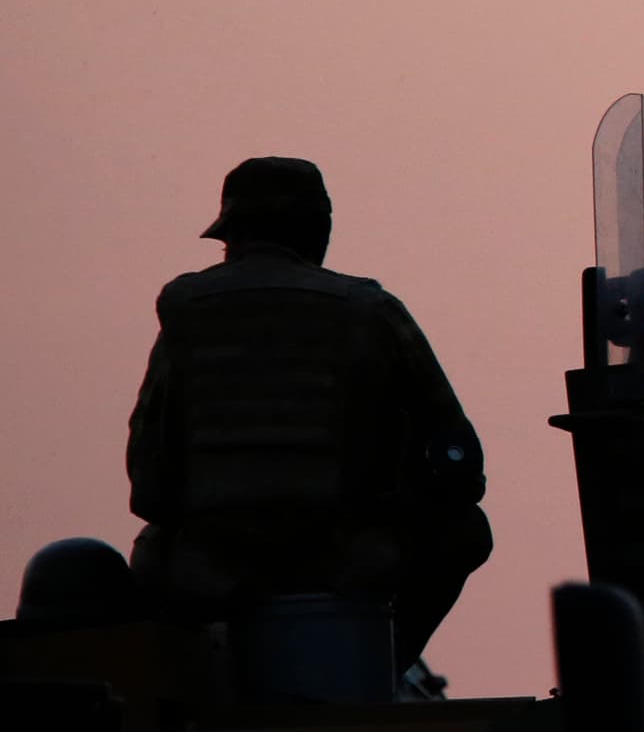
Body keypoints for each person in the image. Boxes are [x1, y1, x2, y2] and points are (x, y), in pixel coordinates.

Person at [125, 157, 493, 667]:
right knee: (465, 531)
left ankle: (190, 695)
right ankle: (382, 670)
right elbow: (458, 460)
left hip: (211, 566)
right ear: (318, 230)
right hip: (344, 562)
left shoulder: (185, 309)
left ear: (235, 233)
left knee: (133, 563)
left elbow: (148, 482)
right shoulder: (371, 309)